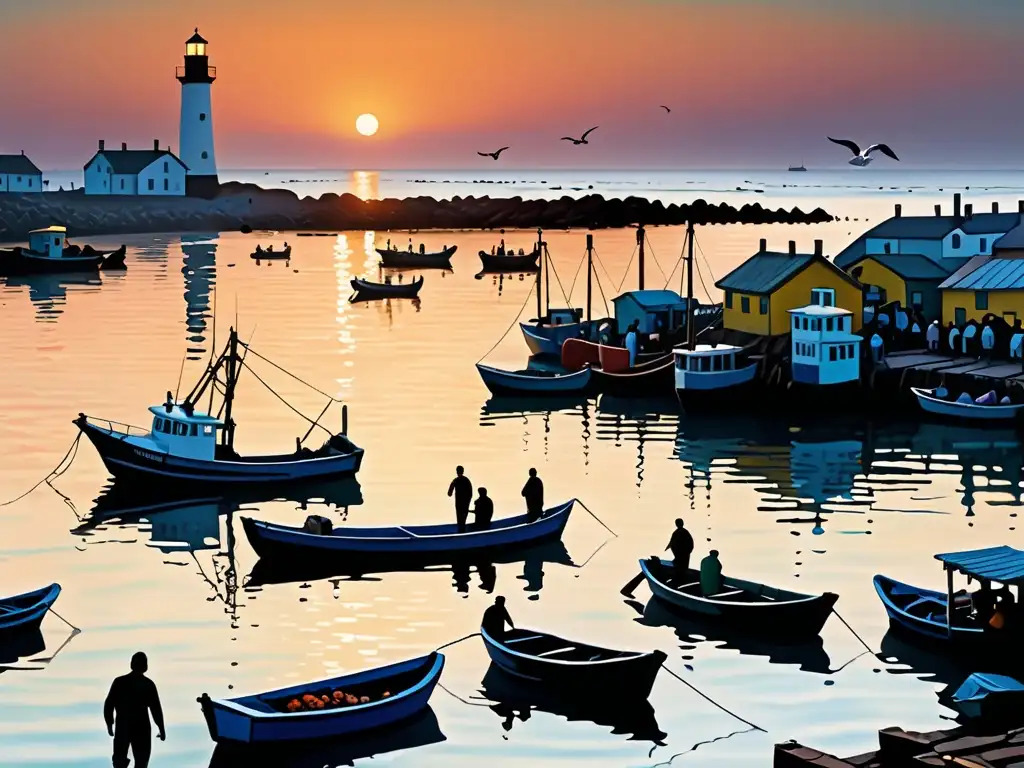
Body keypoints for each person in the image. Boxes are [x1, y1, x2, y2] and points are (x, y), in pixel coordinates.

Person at [104, 652, 165, 768]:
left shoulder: (119, 682)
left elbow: (108, 705)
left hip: (123, 726)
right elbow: (156, 710)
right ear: (145, 667)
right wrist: (161, 729)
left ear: (131, 664)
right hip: (141, 728)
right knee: (140, 762)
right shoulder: (148, 684)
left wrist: (109, 723)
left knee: (119, 760)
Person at [447, 466, 473, 533]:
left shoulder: (456, 480)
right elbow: (449, 493)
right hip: (462, 503)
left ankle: (461, 531)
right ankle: (462, 531)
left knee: (460, 519)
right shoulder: (465, 480)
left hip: (461, 503)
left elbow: (449, 493)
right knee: (462, 519)